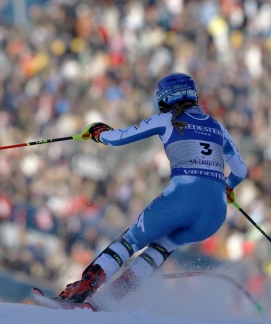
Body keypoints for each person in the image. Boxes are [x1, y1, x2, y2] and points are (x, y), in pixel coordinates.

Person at [55, 72, 247, 304]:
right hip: (215, 214)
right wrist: (227, 186)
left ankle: (84, 288)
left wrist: (98, 132)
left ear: (165, 98)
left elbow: (118, 138)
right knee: (163, 246)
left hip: (183, 197)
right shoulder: (217, 126)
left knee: (131, 240)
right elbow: (240, 172)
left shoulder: (165, 119)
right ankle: (111, 299)